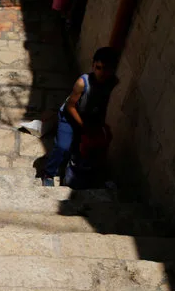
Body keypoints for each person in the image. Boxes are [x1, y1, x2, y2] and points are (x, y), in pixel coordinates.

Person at [41, 46, 119, 186]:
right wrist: (83, 126)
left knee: (86, 148)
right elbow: (71, 106)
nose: (101, 73)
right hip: (70, 117)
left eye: (105, 69)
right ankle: (48, 173)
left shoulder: (111, 82)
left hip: (89, 117)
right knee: (62, 146)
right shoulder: (82, 83)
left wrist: (100, 124)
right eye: (98, 67)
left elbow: (103, 103)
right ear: (93, 65)